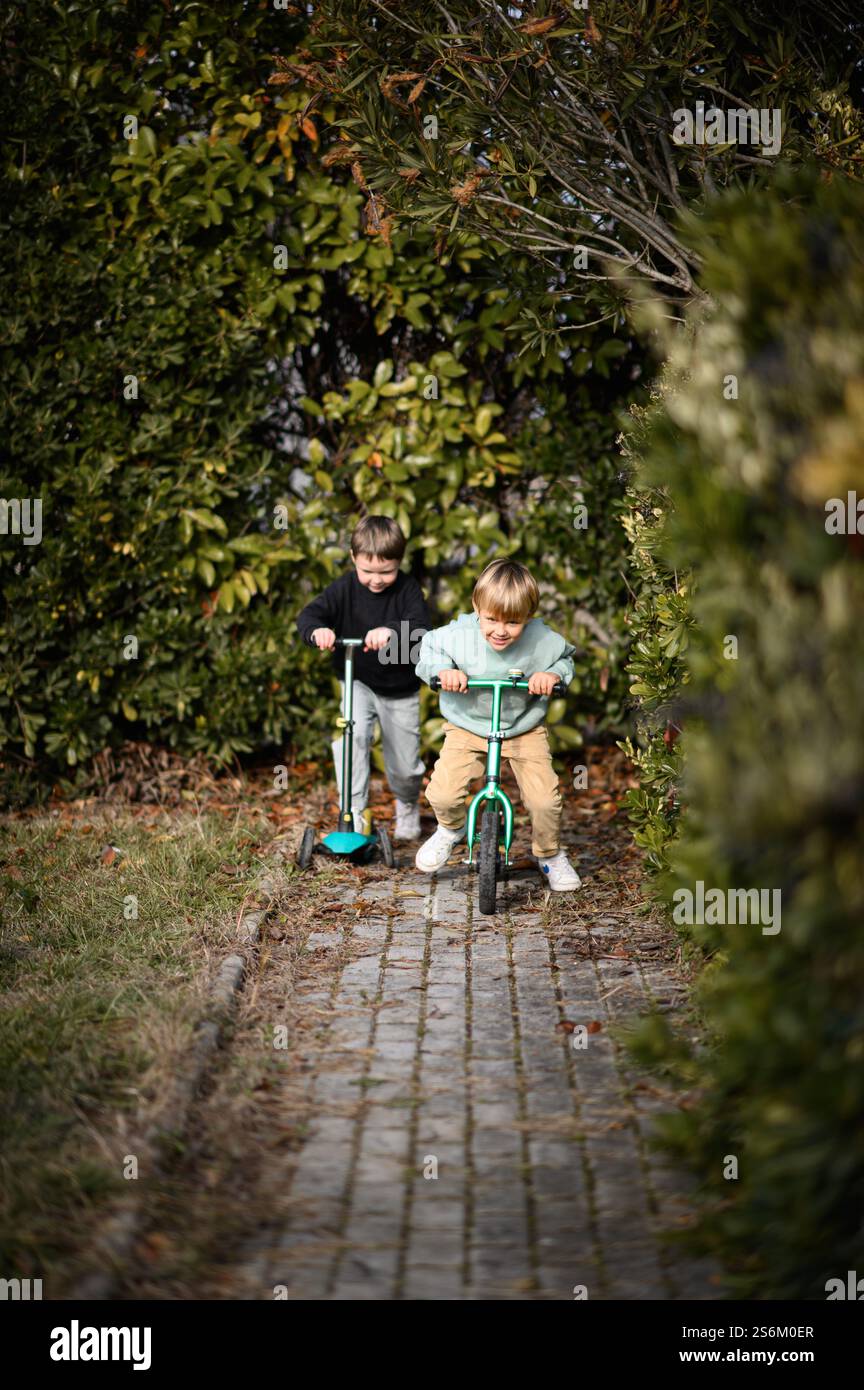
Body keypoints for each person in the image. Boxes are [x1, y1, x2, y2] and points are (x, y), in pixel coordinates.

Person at [414, 557, 582, 889]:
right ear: (477, 607)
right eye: (490, 619)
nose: (500, 630)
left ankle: (548, 855)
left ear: (529, 618)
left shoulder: (542, 639)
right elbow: (429, 651)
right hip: (468, 726)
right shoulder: (458, 636)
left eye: (513, 622)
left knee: (544, 800)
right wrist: (443, 671)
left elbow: (566, 659)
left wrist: (552, 675)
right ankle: (451, 828)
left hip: (523, 728)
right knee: (444, 793)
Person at [296, 515, 430, 841]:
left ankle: (408, 803)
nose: (376, 580)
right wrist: (319, 631)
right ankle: (353, 812)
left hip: (400, 690)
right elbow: (309, 615)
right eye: (368, 571)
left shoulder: (408, 589)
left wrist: (392, 631)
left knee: (404, 764)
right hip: (356, 681)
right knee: (351, 741)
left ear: (399, 562)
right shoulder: (343, 588)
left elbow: (421, 626)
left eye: (387, 571)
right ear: (354, 558)